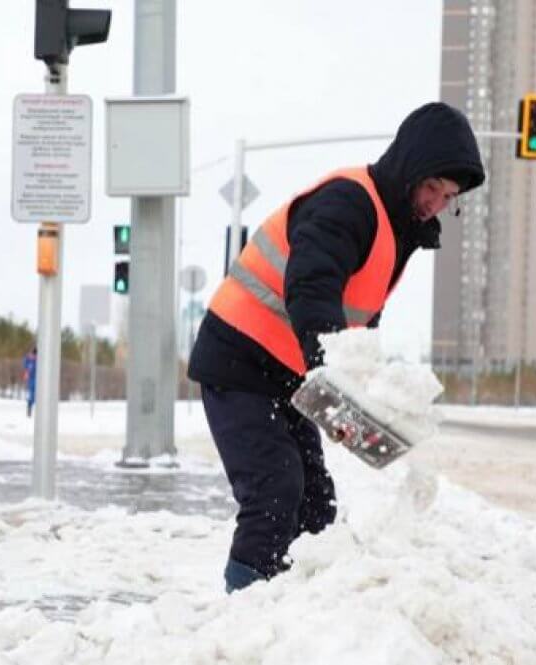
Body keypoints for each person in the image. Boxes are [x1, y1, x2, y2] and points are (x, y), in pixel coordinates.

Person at [188, 102, 485, 592]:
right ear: (409, 167)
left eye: (448, 196)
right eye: (432, 187)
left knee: (315, 505)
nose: (436, 203)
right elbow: (310, 288)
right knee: (275, 490)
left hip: (285, 375)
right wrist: (333, 379)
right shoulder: (350, 202)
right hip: (239, 361)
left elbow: (354, 329)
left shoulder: (396, 230)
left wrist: (361, 404)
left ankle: (305, 614)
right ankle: (242, 615)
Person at [22, 346, 38, 417]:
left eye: (35, 355)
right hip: (32, 379)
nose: (33, 356)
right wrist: (26, 373)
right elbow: (26, 367)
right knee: (32, 394)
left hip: (38, 379)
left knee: (36, 394)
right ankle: (29, 408)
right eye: (32, 355)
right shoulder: (28, 359)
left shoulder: (37, 361)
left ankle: (34, 408)